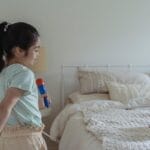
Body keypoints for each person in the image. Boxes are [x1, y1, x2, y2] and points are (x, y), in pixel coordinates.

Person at [0, 21, 48, 150]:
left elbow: (17, 106)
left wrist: (39, 105)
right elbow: (5, 107)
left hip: (7, 137)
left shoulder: (3, 73)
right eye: (36, 49)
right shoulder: (24, 73)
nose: (38, 55)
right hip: (26, 139)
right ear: (19, 51)